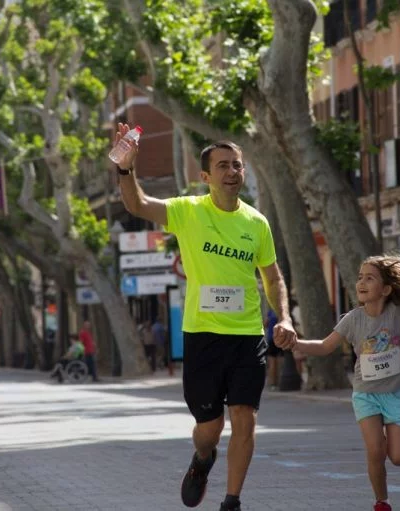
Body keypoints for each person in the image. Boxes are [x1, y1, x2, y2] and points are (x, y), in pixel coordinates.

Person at [114, 126, 296, 511]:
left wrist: (286, 318)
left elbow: (272, 276)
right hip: (202, 335)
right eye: (223, 166)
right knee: (209, 430)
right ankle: (202, 460)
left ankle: (232, 500)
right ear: (205, 176)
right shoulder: (188, 211)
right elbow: (138, 205)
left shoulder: (256, 222)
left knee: (244, 419)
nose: (232, 172)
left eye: (237, 165)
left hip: (247, 335)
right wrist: (126, 170)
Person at [292, 213, 400, 511]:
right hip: (366, 395)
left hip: (396, 394)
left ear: (385, 290)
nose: (361, 282)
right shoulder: (352, 320)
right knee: (375, 451)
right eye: (360, 277)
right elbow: (324, 346)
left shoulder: (397, 310)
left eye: (369, 278)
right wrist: (296, 342)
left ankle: (387, 466)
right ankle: (381, 501)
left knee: (399, 457)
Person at [263, 308, 282, 390]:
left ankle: (273, 383)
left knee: (272, 362)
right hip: (278, 338)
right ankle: (277, 382)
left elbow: (265, 324)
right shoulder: (280, 310)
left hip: (271, 339)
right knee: (278, 361)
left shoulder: (271, 312)